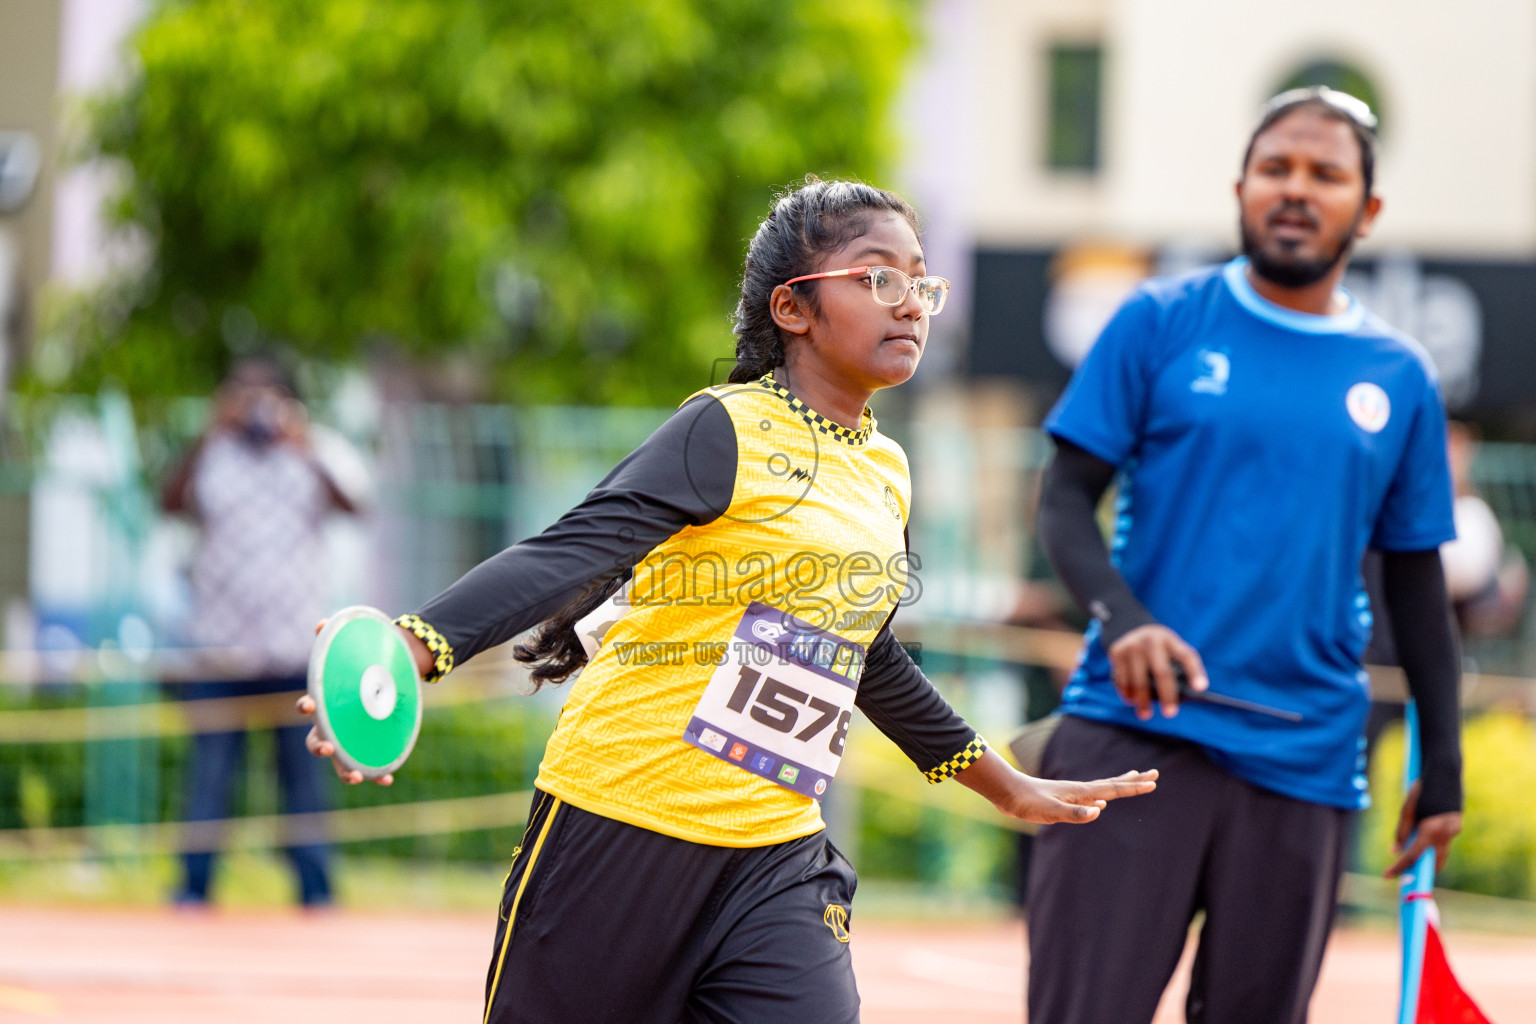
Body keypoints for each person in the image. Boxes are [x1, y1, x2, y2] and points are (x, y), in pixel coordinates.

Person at [301, 177, 1157, 1023]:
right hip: (622, 823)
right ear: (794, 309)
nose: (911, 305)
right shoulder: (727, 427)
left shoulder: (884, 471)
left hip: (773, 854)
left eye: (921, 283)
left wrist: (1005, 785)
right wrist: (418, 646)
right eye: (877, 279)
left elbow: (866, 655)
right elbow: (570, 552)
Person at [1027, 87, 1464, 1024]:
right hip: (1133, 737)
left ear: (1368, 209)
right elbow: (1063, 500)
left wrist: (1449, 760)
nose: (1296, 190)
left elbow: (1417, 582)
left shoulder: (1401, 378)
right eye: (1276, 169)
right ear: (1241, 189)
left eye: (1325, 174)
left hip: (1304, 760)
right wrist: (1125, 618)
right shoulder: (1159, 321)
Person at [165, 355, 364, 907]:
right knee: (208, 777)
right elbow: (168, 501)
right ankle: (192, 888)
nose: (254, 406)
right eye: (242, 393)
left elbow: (355, 505)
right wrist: (209, 432)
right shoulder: (212, 453)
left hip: (292, 647)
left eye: (265, 394)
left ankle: (316, 891)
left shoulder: (312, 450)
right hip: (219, 648)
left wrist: (304, 444)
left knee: (304, 780)